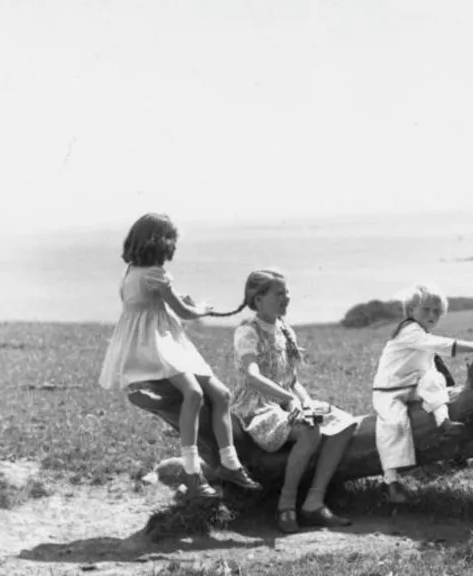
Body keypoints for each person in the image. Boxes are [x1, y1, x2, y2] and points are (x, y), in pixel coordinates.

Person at [98, 213, 262, 500]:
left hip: (159, 340)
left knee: (221, 395)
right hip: (156, 345)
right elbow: (184, 313)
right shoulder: (157, 274)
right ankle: (192, 471)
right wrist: (203, 309)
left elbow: (150, 304)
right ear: (162, 242)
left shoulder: (132, 272)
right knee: (194, 394)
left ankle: (229, 462)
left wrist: (176, 301)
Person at [213, 269, 358, 534]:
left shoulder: (285, 330)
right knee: (311, 432)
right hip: (258, 408)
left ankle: (314, 501)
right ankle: (286, 504)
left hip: (287, 403)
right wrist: (290, 400)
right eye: (279, 294)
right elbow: (253, 377)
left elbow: (292, 380)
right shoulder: (248, 332)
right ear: (258, 300)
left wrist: (306, 404)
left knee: (345, 425)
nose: (286, 298)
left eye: (287, 293)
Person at [371, 284, 473, 504]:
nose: (432, 315)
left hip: (413, 387)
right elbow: (437, 344)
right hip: (389, 391)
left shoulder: (421, 332)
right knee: (394, 424)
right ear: (411, 310)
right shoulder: (409, 330)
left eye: (437, 311)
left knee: (435, 379)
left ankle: (443, 421)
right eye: (426, 309)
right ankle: (392, 482)